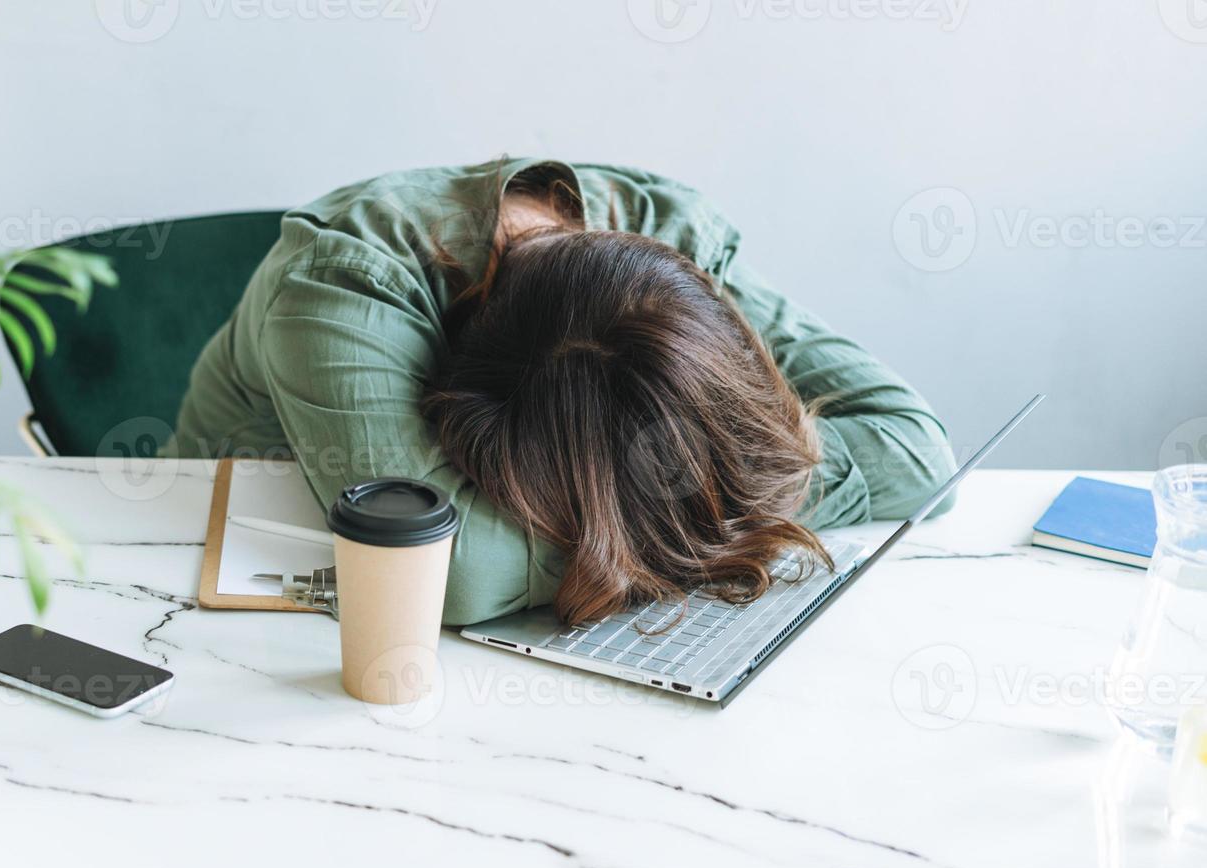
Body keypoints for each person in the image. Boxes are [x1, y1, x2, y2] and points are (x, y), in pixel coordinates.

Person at [167, 159, 957, 626]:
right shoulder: (340, 284)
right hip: (225, 575)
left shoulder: (672, 246)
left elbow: (916, 450)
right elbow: (452, 574)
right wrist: (711, 522)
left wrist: (671, 517)